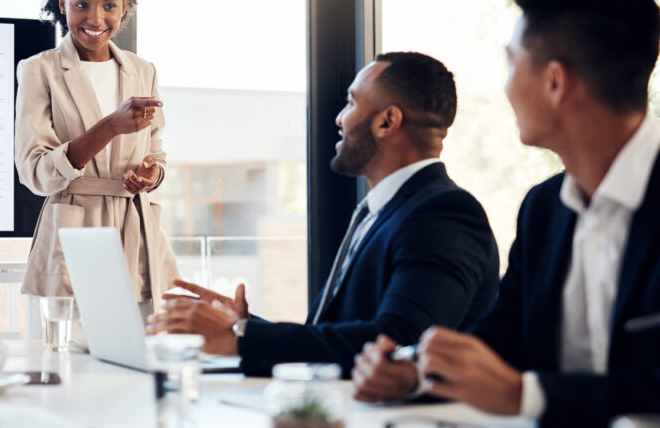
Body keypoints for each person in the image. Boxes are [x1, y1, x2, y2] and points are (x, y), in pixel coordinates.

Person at [350, 0, 660, 428]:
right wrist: (415, 373)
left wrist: (524, 396)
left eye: (512, 64)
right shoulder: (543, 208)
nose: (506, 87)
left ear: (556, 82)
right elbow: (503, 339)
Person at [146, 52, 499, 376]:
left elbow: (397, 342)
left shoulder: (444, 214)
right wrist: (242, 324)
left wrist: (241, 337)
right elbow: (338, 333)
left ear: (387, 122)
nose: (339, 118)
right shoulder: (384, 211)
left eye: (351, 102)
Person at [15, 0, 180, 321]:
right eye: (81, 5)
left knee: (142, 361)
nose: (95, 18)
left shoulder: (143, 71)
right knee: (68, 364)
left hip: (138, 231)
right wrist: (108, 127)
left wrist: (151, 174)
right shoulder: (39, 71)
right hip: (75, 236)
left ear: (125, 6)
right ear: (62, 2)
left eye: (109, 5)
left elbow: (156, 149)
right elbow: (35, 171)